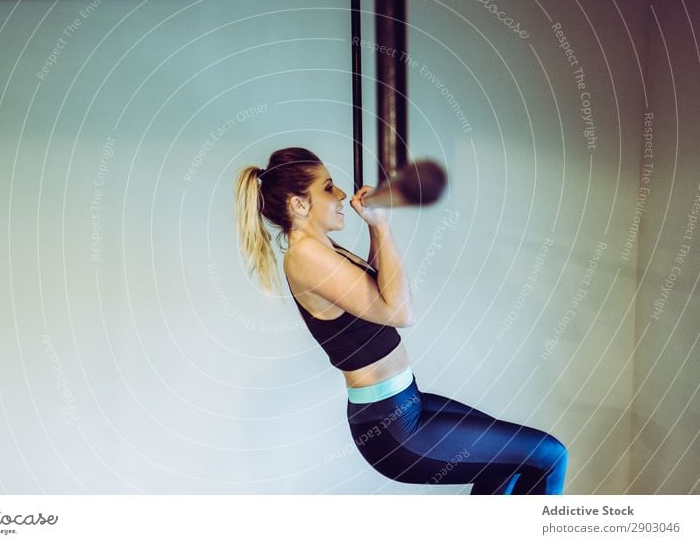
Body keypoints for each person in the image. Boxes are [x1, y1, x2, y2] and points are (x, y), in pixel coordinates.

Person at [234, 146, 568, 494]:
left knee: (506, 467)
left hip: (404, 405)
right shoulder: (306, 257)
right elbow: (400, 311)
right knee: (548, 456)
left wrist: (379, 226)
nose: (341, 195)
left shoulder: (321, 248)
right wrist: (381, 224)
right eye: (328, 187)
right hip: (393, 428)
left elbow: (377, 292)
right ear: (299, 204)